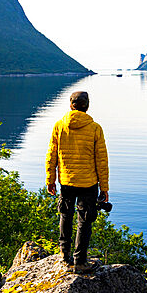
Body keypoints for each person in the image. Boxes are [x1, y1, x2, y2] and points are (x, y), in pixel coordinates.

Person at [45, 90, 109, 273]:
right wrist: (104, 188)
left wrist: (50, 179)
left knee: (65, 215)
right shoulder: (95, 128)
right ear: (87, 106)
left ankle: (64, 256)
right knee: (85, 221)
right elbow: (101, 160)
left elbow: (51, 156)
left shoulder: (59, 126)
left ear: (71, 105)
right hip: (88, 183)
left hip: (66, 181)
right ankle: (80, 261)